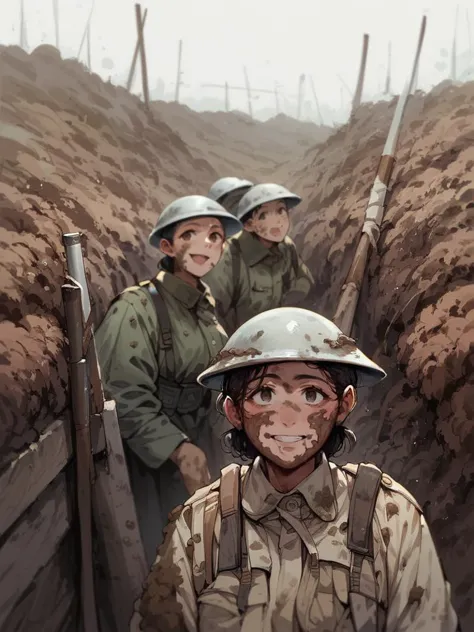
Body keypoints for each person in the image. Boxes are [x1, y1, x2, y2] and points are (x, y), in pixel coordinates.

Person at [132, 307, 460, 632]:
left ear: (344, 404)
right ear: (234, 410)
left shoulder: (389, 515)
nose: (288, 417)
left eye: (312, 393)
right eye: (264, 393)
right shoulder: (201, 523)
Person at [95, 195, 242, 565]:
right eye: (189, 234)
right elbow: (124, 395)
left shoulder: (206, 314)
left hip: (202, 442)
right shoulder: (136, 308)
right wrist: (178, 450)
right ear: (167, 246)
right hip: (152, 462)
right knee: (164, 553)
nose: (203, 245)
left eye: (214, 236)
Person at [204, 183, 314, 336]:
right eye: (263, 215)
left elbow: (304, 279)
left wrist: (286, 309)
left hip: (279, 335)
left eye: (281, 211)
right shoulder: (229, 256)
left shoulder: (286, 247)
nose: (277, 221)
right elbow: (209, 310)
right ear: (249, 225)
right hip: (238, 347)